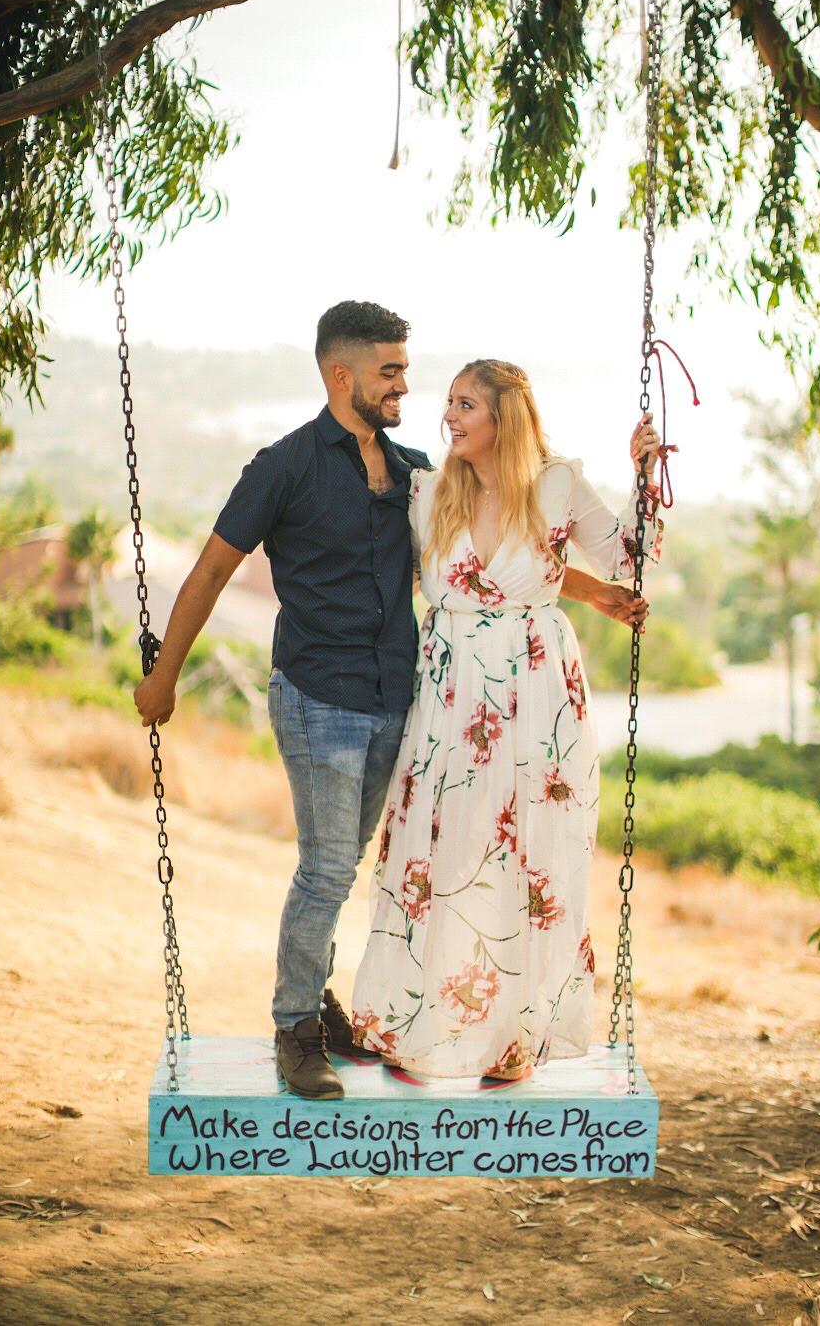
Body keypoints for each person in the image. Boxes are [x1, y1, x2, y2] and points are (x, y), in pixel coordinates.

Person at [133, 303, 649, 1101]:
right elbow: (209, 571)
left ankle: (348, 1007)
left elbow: (505, 552)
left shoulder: (414, 473)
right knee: (329, 868)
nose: (408, 387)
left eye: (410, 372)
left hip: (402, 699)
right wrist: (164, 675)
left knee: (378, 865)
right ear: (342, 375)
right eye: (391, 372)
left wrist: (593, 593)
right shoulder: (287, 466)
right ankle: (296, 1028)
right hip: (319, 693)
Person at [351, 358, 663, 1080]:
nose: (449, 417)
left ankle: (515, 1040)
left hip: (537, 692)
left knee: (532, 856)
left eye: (465, 405)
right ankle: (416, 1027)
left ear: (505, 416)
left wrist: (643, 477)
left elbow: (629, 556)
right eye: (449, 403)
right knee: (438, 850)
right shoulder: (427, 491)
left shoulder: (557, 484)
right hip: (448, 694)